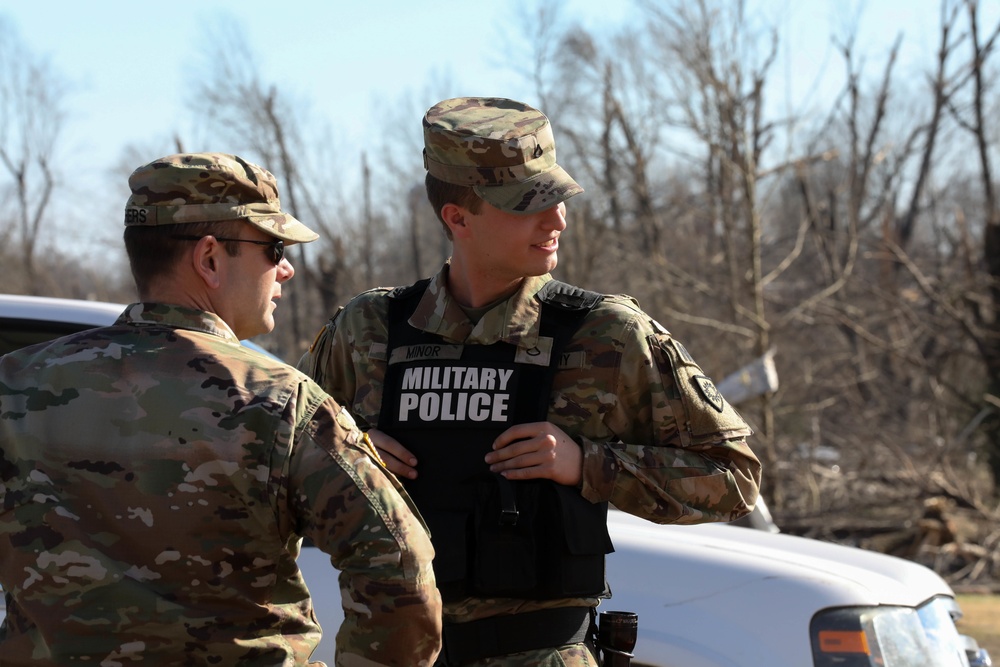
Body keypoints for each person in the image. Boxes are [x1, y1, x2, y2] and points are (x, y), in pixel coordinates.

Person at [298, 98, 761, 666]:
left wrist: (589, 464)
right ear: (458, 218)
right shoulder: (365, 331)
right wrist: (348, 465)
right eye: (528, 206)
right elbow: (267, 482)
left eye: (560, 198)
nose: (558, 220)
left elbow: (735, 478)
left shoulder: (607, 335)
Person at [0, 153, 442, 666]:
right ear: (209, 258)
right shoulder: (280, 403)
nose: (287, 268)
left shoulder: (13, 386)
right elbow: (399, 563)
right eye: (273, 247)